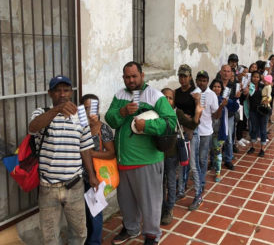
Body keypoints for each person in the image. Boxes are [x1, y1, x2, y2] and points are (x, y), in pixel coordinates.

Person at [105, 61, 176, 245]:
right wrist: (122, 111)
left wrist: (148, 126)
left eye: (134, 76)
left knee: (150, 202)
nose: (131, 80)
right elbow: (110, 119)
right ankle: (131, 229)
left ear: (142, 76)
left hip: (147, 161)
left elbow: (171, 121)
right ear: (123, 78)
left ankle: (152, 236)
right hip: (123, 161)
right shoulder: (119, 95)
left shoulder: (155, 96)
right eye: (127, 77)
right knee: (126, 201)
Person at [28, 76, 99, 245]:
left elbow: (85, 147)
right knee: (50, 237)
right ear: (50, 93)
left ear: (71, 93)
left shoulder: (81, 116)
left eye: (66, 90)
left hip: (75, 185)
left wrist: (92, 175)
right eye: (57, 90)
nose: (62, 94)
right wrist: (56, 110)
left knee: (80, 233)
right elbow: (32, 127)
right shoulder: (41, 112)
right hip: (48, 187)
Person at [160, 88, 203, 225]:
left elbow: (190, 124)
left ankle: (169, 209)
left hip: (172, 155)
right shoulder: (156, 113)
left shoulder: (176, 112)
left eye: (170, 98)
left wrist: (197, 113)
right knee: (160, 183)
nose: (167, 100)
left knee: (172, 182)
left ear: (174, 100)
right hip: (158, 155)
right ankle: (161, 208)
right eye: (164, 97)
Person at [80, 94, 115, 245]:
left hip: (95, 178)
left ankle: (94, 242)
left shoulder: (103, 128)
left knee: (95, 213)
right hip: (78, 177)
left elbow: (111, 153)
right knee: (83, 214)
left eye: (92, 107)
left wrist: (91, 152)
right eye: (86, 108)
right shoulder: (79, 126)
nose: (89, 111)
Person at [193, 70, 224, 210]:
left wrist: (222, 106)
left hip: (206, 132)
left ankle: (202, 183)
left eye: (204, 80)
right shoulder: (193, 93)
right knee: (193, 159)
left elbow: (216, 116)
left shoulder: (212, 95)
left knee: (202, 159)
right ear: (196, 80)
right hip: (193, 132)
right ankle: (195, 180)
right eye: (199, 80)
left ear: (207, 81)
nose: (201, 83)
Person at [173, 64, 202, 209]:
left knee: (193, 164)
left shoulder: (195, 92)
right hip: (179, 130)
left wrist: (197, 102)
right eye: (180, 76)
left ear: (190, 77)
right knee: (180, 163)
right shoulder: (176, 92)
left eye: (185, 76)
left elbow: (199, 111)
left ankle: (198, 194)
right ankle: (180, 191)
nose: (182, 79)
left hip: (191, 131)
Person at [209, 79, 239, 182]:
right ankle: (211, 163)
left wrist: (235, 98)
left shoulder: (224, 100)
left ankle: (218, 173)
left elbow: (235, 107)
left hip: (220, 131)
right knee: (211, 150)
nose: (216, 88)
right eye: (214, 86)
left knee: (217, 151)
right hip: (207, 130)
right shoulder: (207, 99)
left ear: (221, 89)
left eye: (218, 87)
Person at [218, 65, 240, 170]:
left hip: (229, 115)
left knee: (229, 138)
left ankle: (228, 159)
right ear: (220, 72)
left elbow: (238, 100)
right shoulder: (216, 83)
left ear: (231, 73)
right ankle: (215, 159)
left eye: (228, 71)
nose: (226, 73)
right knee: (216, 137)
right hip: (217, 115)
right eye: (224, 71)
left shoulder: (235, 86)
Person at [245, 71, 270, 157]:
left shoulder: (263, 87)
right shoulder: (248, 87)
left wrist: (268, 100)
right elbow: (245, 98)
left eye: (257, 77)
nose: (255, 79)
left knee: (263, 130)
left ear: (260, 79)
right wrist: (246, 91)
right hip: (253, 111)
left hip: (263, 111)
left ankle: (262, 149)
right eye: (254, 77)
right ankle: (252, 147)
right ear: (251, 77)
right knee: (254, 129)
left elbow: (270, 94)